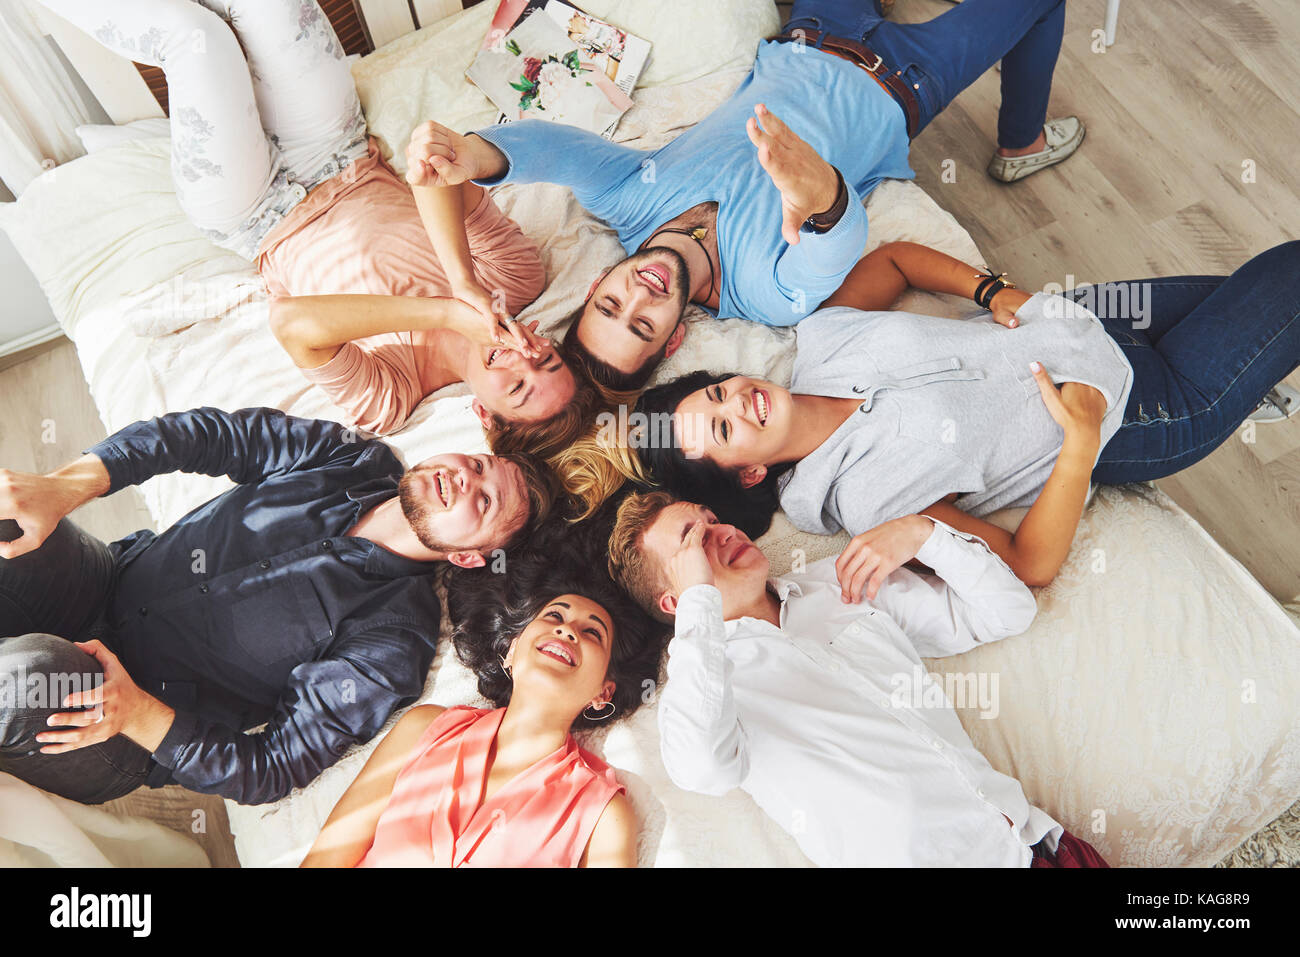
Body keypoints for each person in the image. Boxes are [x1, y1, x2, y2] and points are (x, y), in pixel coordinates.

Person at [406, 0, 1080, 390]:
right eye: (642, 323)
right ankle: (1021, 141)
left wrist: (473, 155)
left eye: (612, 302)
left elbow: (551, 149)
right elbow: (833, 244)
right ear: (672, 342)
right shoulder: (763, 295)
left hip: (814, 28)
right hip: (907, 79)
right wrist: (814, 191)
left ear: (597, 284)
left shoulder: (627, 201)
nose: (639, 293)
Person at [39, 0, 594, 443]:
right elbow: (434, 170)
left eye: (517, 388)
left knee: (196, 37)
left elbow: (292, 323)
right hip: (339, 149)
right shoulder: (518, 281)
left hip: (253, 213)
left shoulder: (392, 398)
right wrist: (468, 286)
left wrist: (447, 312)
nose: (521, 359)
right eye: (544, 358)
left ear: (486, 415)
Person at [635, 239, 1300, 589]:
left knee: (1267, 285)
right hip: (1141, 408)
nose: (738, 403)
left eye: (718, 392)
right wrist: (1079, 442)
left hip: (1088, 314)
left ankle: (1257, 390)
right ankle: (1244, 395)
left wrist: (993, 289)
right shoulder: (871, 503)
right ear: (750, 474)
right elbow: (1025, 563)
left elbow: (894, 259)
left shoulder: (822, 342)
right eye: (724, 429)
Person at [0, 407, 557, 806]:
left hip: (127, 717)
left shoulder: (391, 641)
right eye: (480, 464)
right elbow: (206, 436)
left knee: (34, 676)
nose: (465, 479)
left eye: (483, 502)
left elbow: (275, 767)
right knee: (8, 511)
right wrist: (69, 486)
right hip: (106, 581)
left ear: (467, 558)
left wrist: (139, 716)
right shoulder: (349, 457)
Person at [606, 490, 1108, 867]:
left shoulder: (840, 581)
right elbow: (705, 770)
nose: (723, 531)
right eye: (694, 539)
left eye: (712, 519)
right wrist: (701, 604)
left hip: (1038, 845)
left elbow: (1008, 612)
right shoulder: (697, 693)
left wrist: (924, 534)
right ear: (675, 601)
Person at [301, 556, 665, 867]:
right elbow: (325, 858)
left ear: (603, 692)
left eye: (592, 633)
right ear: (510, 650)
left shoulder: (603, 815)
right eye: (555, 615)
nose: (567, 631)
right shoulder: (423, 728)